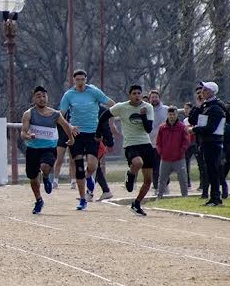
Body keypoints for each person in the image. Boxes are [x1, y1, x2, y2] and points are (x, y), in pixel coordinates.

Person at [60, 69, 115, 211]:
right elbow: (60, 115)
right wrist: (70, 126)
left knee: (92, 164)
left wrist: (112, 120)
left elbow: (112, 104)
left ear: (86, 79)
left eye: (82, 79)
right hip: (77, 134)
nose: (80, 82)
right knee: (78, 166)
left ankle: (89, 176)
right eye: (77, 80)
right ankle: (83, 199)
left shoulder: (94, 92)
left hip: (92, 133)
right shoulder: (69, 95)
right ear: (73, 80)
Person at [97, 84, 155, 216]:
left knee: (148, 180)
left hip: (146, 144)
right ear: (130, 95)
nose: (137, 96)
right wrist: (98, 133)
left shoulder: (148, 107)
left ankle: (137, 203)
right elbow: (104, 116)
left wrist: (143, 116)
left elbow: (148, 129)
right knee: (138, 163)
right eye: (134, 93)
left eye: (139, 93)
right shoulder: (121, 107)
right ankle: (130, 175)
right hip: (131, 144)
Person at [21, 86, 74, 214]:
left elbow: (66, 126)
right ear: (34, 98)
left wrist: (71, 139)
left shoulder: (55, 114)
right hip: (33, 149)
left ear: (47, 97)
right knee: (33, 178)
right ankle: (39, 200)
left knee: (45, 166)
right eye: (38, 96)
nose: (42, 99)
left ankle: (45, 176)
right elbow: (23, 132)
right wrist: (28, 136)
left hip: (49, 149)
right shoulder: (28, 114)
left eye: (44, 96)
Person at [189, 81, 228, 207]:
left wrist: (194, 130)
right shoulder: (206, 106)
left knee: (213, 170)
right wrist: (198, 106)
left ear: (212, 92)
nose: (202, 92)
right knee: (209, 170)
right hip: (206, 142)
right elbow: (192, 119)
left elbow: (210, 128)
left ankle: (216, 198)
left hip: (214, 143)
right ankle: (213, 198)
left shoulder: (216, 107)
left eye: (205, 90)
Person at [155, 106, 190, 197]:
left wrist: (181, 151)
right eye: (170, 114)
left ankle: (185, 196)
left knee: (183, 179)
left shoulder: (182, 127)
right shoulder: (162, 128)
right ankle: (159, 196)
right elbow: (158, 142)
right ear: (167, 115)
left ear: (177, 115)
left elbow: (186, 141)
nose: (172, 116)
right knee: (162, 179)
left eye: (173, 114)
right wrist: (161, 152)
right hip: (165, 158)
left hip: (179, 158)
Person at [148, 89, 169, 194]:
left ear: (159, 98)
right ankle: (157, 187)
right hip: (151, 143)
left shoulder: (166, 109)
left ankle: (165, 185)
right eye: (152, 97)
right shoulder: (146, 109)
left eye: (156, 97)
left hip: (164, 143)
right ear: (149, 99)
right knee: (154, 166)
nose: (154, 99)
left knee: (165, 165)